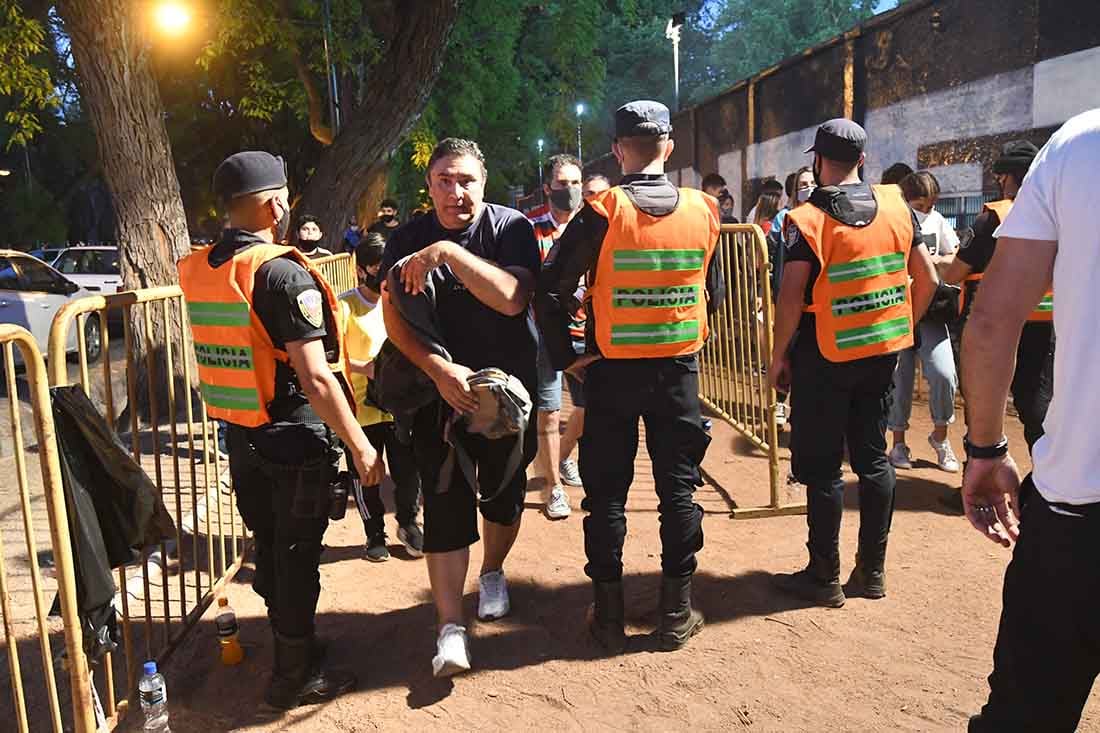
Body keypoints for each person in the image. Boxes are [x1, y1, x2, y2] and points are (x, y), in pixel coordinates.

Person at [177, 151, 380, 709]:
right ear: (273, 204)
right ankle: (293, 675)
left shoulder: (201, 267)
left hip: (240, 434)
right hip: (292, 437)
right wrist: (361, 447)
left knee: (270, 545)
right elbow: (315, 376)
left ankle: (291, 640)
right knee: (296, 555)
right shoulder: (281, 272)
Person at [537, 100, 724, 653]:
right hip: (677, 373)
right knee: (678, 492)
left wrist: (566, 356)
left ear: (619, 151)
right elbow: (709, 291)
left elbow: (551, 291)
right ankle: (675, 615)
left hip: (610, 373)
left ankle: (610, 619)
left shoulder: (602, 211)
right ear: (668, 147)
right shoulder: (705, 209)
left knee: (608, 497)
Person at [379, 138, 539, 677]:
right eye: (444, 180)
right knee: (445, 505)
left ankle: (492, 570)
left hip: (506, 395)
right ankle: (450, 629)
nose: (456, 192)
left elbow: (512, 297)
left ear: (484, 181)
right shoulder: (406, 238)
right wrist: (436, 369)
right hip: (437, 394)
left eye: (466, 180)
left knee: (503, 498)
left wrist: (448, 253)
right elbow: (392, 313)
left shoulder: (512, 227)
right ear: (429, 186)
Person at [962, 109, 1100, 733]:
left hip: (1078, 511)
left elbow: (991, 320)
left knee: (1025, 713)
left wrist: (985, 447)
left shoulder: (1079, 144)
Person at [768, 119, 938, 607]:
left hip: (824, 357)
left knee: (821, 468)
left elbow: (790, 296)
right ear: (862, 161)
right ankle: (873, 573)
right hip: (882, 353)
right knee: (872, 458)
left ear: (818, 162)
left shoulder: (806, 219)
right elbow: (926, 280)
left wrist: (778, 358)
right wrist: (903, 327)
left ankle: (824, 577)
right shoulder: (897, 205)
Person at [944, 140, 1052, 454]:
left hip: (996, 325)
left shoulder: (995, 216)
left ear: (1007, 177)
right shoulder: (1054, 214)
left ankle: (978, 475)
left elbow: (955, 273)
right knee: (1036, 402)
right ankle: (1045, 477)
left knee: (982, 402)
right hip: (1044, 321)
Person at [338, 232, 423, 562]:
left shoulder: (403, 301)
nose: (384, 273)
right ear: (361, 270)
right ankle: (374, 533)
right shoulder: (345, 305)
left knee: (407, 468)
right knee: (366, 471)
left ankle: (408, 523)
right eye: (377, 266)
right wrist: (367, 368)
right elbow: (332, 355)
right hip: (360, 405)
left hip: (400, 403)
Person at [888, 171, 961, 473]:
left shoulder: (938, 221)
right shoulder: (894, 221)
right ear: (905, 201)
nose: (927, 211)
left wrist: (933, 264)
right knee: (899, 381)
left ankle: (940, 438)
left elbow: (955, 254)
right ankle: (898, 443)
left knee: (944, 374)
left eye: (931, 205)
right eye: (920, 205)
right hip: (897, 312)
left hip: (930, 314)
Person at [529, 154, 586, 519]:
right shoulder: (528, 228)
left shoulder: (594, 224)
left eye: (576, 183)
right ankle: (553, 489)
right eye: (563, 184)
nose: (571, 190)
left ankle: (561, 457)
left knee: (588, 409)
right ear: (548, 188)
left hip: (587, 330)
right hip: (545, 335)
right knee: (548, 413)